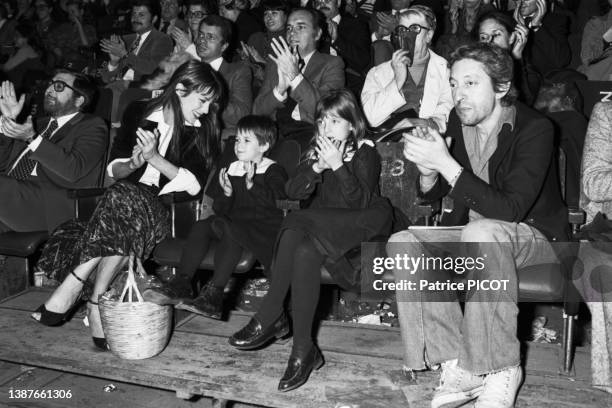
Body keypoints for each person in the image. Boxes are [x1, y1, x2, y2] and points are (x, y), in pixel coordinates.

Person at [386, 42, 567, 407]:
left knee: (482, 231)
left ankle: (502, 368)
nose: (458, 94)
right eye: (453, 84)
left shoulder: (536, 128)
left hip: (532, 236)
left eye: (470, 84)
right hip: (473, 233)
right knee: (404, 243)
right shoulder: (457, 119)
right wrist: (427, 172)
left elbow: (511, 208)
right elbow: (439, 192)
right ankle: (460, 366)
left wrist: (446, 164)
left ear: (501, 87)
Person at [31, 60, 224, 351]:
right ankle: (97, 301)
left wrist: (155, 158)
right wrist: (132, 163)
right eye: (204, 100)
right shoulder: (139, 111)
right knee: (122, 196)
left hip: (163, 210)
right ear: (181, 89)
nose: (208, 110)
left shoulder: (203, 129)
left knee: (123, 199)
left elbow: (195, 185)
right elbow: (113, 169)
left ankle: (73, 284)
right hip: (123, 204)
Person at [229, 89, 392, 392]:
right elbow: (292, 192)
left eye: (335, 121)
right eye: (322, 121)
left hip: (359, 237)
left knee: (296, 221)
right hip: (323, 237)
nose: (326, 128)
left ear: (352, 126)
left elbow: (361, 206)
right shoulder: (315, 152)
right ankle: (303, 351)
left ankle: (271, 312)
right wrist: (317, 167)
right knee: (302, 248)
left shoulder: (365, 151)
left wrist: (340, 167)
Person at [143, 115, 288, 319]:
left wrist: (252, 185)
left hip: (262, 229)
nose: (238, 145)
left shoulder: (273, 170)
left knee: (230, 228)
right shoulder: (234, 168)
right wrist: (227, 193)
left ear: (264, 145)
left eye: (247, 141)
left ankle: (215, 294)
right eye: (237, 140)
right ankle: (183, 283)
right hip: (234, 224)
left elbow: (275, 203)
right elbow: (222, 210)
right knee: (203, 225)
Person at [0, 71, 107, 233]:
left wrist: (32, 139)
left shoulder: (92, 126)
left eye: (59, 86)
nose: (49, 89)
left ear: (79, 100)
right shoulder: (36, 124)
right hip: (11, 198)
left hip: (48, 206)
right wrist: (7, 121)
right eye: (50, 83)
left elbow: (73, 169)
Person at [253, 7, 345, 149]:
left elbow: (327, 113)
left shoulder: (332, 64)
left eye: (300, 27)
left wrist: (295, 76)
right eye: (289, 28)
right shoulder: (275, 63)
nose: (292, 33)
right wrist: (279, 90)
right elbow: (257, 112)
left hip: (307, 134)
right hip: (272, 135)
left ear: (317, 34)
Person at [361, 6, 453, 132]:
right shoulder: (377, 73)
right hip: (388, 144)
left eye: (415, 28)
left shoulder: (445, 71)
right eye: (402, 29)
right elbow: (368, 118)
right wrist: (397, 81)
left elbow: (448, 113)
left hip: (428, 142)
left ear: (429, 35)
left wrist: (423, 123)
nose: (407, 35)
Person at [195, 15, 253, 141]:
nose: (202, 41)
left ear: (224, 46)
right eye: (201, 35)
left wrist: (208, 97)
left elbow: (241, 114)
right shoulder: (189, 68)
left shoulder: (238, 71)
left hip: (216, 135)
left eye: (210, 37)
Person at [476, 9, 541, 105]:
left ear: (511, 38)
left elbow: (524, 103)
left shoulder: (527, 70)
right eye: (483, 37)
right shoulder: (473, 65)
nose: (489, 42)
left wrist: (516, 59)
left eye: (496, 34)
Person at [315, 0, 371, 97]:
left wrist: (337, 40)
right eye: (317, 2)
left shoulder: (357, 25)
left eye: (327, 0)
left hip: (347, 85)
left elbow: (362, 61)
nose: (322, 4)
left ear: (339, 3)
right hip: (315, 82)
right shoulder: (310, 29)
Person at [47, 0, 97, 71]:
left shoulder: (89, 28)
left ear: (81, 12)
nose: (70, 14)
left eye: (73, 11)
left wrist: (79, 26)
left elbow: (87, 47)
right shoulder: (63, 27)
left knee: (73, 56)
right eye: (69, 12)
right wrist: (54, 48)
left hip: (78, 64)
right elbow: (49, 38)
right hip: (59, 61)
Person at [0, 23, 44, 90]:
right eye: (14, 35)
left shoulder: (26, 50)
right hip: (11, 83)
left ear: (26, 38)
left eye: (17, 36)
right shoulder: (23, 48)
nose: (14, 38)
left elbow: (6, 68)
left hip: (15, 87)